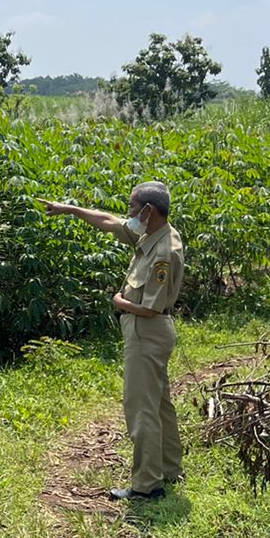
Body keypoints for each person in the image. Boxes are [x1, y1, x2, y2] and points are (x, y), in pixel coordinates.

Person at [37, 182, 185, 501]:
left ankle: (147, 485)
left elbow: (150, 308)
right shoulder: (153, 231)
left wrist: (119, 302)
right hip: (154, 331)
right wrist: (71, 210)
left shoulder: (163, 251)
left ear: (148, 211)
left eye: (132, 208)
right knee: (159, 402)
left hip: (148, 331)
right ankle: (170, 467)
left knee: (140, 408)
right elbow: (107, 220)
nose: (128, 214)